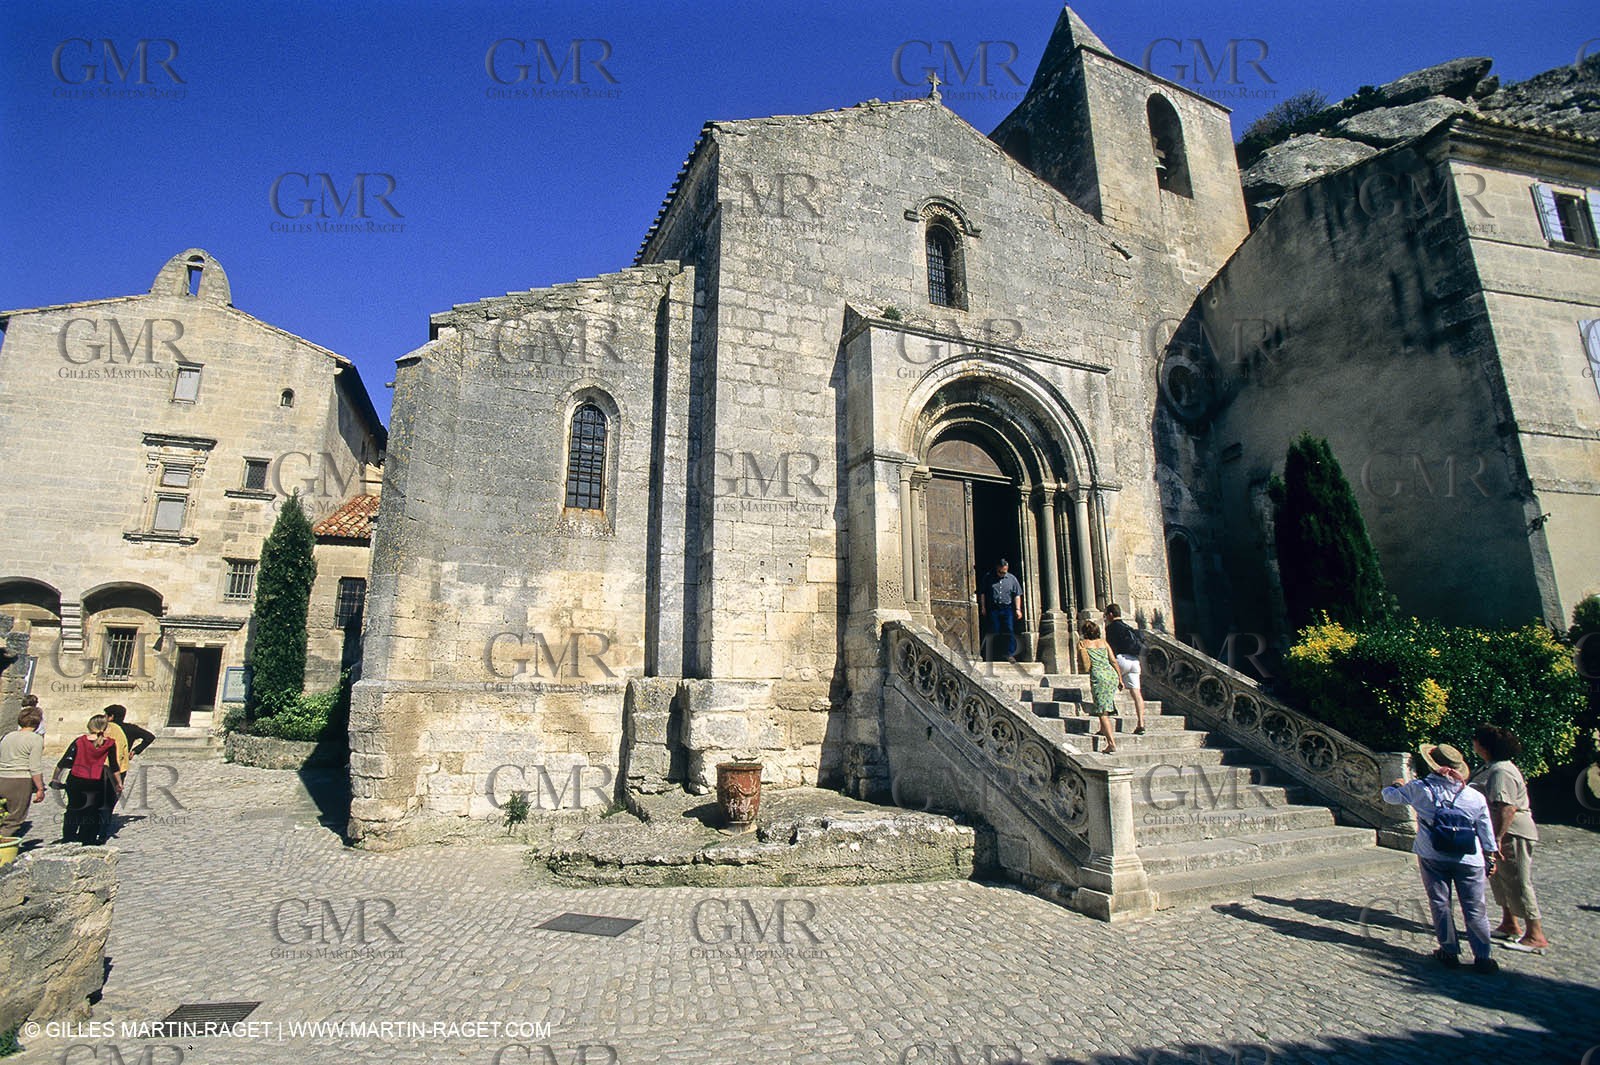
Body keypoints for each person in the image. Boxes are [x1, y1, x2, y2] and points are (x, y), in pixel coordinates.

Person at [1381, 743, 1500, 972]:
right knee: (1475, 907)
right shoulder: (1473, 795)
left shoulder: (1420, 788)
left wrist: (1396, 784)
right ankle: (1483, 956)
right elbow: (1485, 829)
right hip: (1469, 857)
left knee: (1440, 903)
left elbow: (1390, 798)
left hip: (1432, 853)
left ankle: (1449, 951)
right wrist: (1491, 856)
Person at [1470, 726, 1549, 953]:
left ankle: (1535, 934)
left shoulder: (1501, 772)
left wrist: (1496, 839)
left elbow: (1506, 808)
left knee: (1518, 881)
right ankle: (1509, 923)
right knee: (1501, 879)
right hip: (1502, 831)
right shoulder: (1491, 768)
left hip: (1512, 832)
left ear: (1484, 746)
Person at [51, 714, 123, 845]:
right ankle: (87, 838)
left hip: (76, 779)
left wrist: (55, 778)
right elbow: (114, 766)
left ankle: (69, 837)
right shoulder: (109, 743)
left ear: (90, 726)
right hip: (96, 780)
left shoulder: (80, 741)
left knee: (73, 809)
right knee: (92, 811)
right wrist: (119, 783)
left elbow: (64, 762)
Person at [1077, 620, 1127, 755]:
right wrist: (1120, 678)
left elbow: (1082, 661)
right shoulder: (1104, 642)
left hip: (1098, 677)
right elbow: (1113, 661)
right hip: (1111, 675)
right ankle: (1102, 729)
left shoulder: (1083, 643)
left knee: (1102, 711)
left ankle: (1111, 743)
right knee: (1104, 703)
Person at [0, 706, 48, 837]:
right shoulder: (35, 739)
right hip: (20, 780)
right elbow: (34, 766)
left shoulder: (7, 736)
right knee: (14, 819)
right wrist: (40, 788)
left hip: (2, 777)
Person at [1102, 604, 1148, 735]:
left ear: (1111, 614)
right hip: (1134, 661)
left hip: (1121, 659)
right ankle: (1141, 723)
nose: (1105, 617)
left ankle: (1110, 708)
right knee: (1136, 693)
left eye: (1106, 614)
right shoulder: (1128, 627)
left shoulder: (1111, 628)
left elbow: (1110, 649)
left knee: (1107, 682)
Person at [978, 558, 1023, 663]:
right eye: (1000, 572)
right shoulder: (989, 577)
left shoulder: (1012, 579)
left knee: (1009, 630)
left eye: (1004, 572)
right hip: (994, 608)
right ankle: (994, 654)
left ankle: (1009, 654)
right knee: (995, 630)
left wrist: (1018, 609)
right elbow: (983, 593)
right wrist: (983, 607)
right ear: (997, 568)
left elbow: (1017, 594)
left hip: (1007, 608)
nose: (1002, 574)